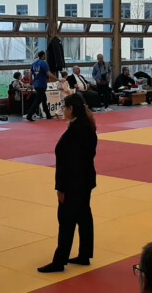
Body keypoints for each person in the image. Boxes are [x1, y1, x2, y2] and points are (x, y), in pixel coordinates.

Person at [37, 93, 97, 273]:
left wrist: (61, 188)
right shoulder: (86, 126)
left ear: (71, 109)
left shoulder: (76, 131)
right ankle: (84, 254)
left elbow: (69, 163)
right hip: (85, 180)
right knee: (84, 217)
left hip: (73, 183)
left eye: (64, 107)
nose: (63, 110)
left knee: (66, 221)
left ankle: (59, 261)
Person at [26, 51, 58, 121]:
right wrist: (57, 79)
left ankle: (48, 115)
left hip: (36, 84)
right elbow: (48, 73)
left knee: (44, 99)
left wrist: (31, 83)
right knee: (38, 100)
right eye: (45, 55)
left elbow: (30, 74)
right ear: (43, 55)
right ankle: (29, 115)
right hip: (41, 84)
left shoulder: (34, 64)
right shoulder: (44, 63)